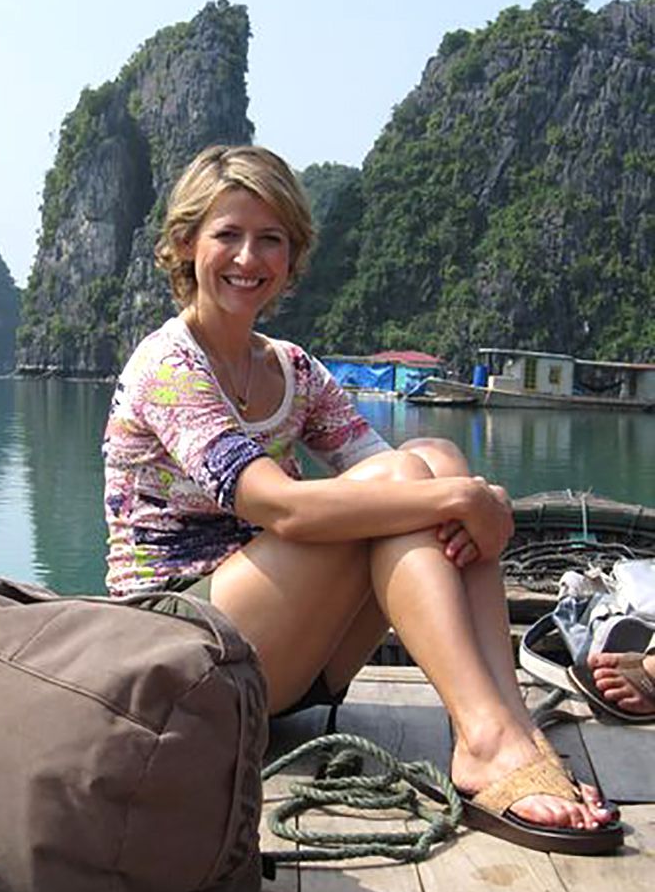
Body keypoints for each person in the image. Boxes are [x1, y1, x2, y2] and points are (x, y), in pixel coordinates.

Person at [102, 144, 622, 854]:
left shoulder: (293, 370)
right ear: (187, 243)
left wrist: (470, 493)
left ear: (293, 255)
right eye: (227, 234)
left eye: (271, 239)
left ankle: (505, 723)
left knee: (431, 459)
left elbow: (401, 473)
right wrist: (467, 497)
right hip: (178, 658)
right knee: (427, 485)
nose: (247, 257)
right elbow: (279, 507)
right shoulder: (168, 365)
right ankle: (486, 737)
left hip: (283, 663)